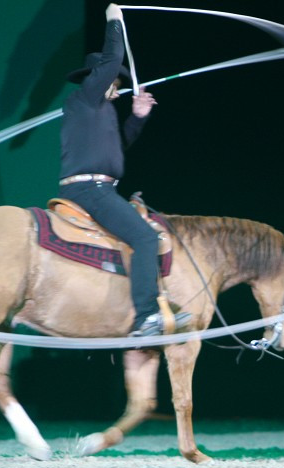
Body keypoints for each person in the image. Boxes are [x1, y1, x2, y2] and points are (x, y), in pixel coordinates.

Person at [59, 3, 190, 337]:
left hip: (102, 188)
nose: (117, 86)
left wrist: (139, 117)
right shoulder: (86, 98)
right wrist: (114, 20)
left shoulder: (100, 112)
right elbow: (113, 56)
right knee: (146, 238)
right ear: (97, 78)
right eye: (113, 81)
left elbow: (118, 148)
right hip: (90, 191)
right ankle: (145, 316)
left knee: (142, 233)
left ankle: (140, 304)